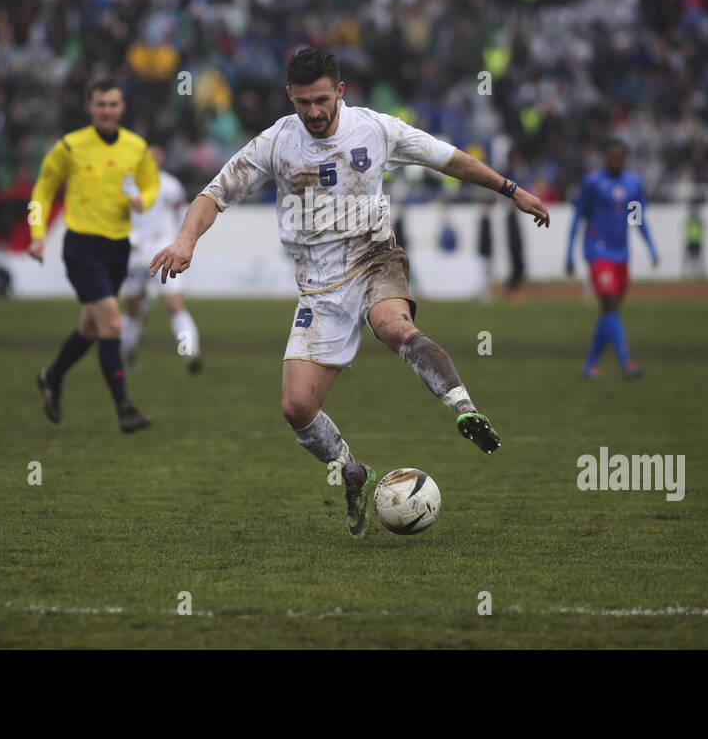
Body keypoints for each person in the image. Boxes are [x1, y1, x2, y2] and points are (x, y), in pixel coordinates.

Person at [150, 47, 549, 539]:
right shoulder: (276, 141)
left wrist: (511, 190)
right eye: (302, 103)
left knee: (392, 326)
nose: (313, 112)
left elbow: (450, 160)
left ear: (340, 91)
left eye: (321, 100)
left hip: (374, 258)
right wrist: (186, 240)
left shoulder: (376, 129)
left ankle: (464, 408)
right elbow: (215, 194)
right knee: (296, 408)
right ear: (289, 97)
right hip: (318, 289)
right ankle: (354, 473)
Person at [29, 78, 158, 433]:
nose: (107, 111)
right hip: (82, 247)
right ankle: (124, 408)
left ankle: (51, 377)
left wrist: (142, 201)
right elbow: (42, 189)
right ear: (89, 107)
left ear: (122, 108)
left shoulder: (136, 147)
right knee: (112, 323)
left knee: (90, 326)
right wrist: (37, 235)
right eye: (100, 104)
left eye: (113, 104)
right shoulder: (70, 146)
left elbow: (152, 184)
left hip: (117, 247)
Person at [565, 138, 658, 379]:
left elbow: (638, 219)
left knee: (610, 311)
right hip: (597, 251)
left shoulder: (633, 183)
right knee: (608, 304)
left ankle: (590, 364)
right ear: (605, 157)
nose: (615, 160)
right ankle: (626, 361)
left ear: (625, 158)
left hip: (621, 253)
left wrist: (651, 248)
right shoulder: (592, 182)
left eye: (619, 156)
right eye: (611, 156)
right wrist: (569, 253)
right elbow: (578, 217)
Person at [118, 145, 202, 373]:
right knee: (133, 310)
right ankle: (126, 357)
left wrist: (179, 242)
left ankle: (190, 353)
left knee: (174, 305)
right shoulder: (127, 184)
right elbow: (117, 216)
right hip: (134, 251)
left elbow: (182, 216)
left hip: (162, 248)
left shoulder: (171, 185)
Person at [682, 202, 706, 279]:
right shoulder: (690, 221)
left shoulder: (699, 221)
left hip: (697, 241)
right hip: (690, 241)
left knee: (698, 258)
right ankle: (686, 274)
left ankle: (700, 274)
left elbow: (703, 229)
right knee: (688, 258)